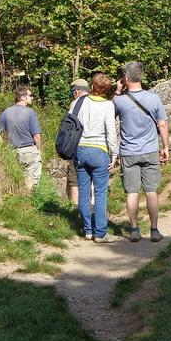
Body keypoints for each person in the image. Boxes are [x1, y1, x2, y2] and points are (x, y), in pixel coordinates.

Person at [113, 61, 170, 243]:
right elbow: (162, 123)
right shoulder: (154, 98)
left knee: (132, 192)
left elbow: (108, 115)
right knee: (151, 191)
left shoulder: (119, 101)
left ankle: (135, 230)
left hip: (128, 152)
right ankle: (154, 230)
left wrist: (117, 91)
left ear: (126, 78)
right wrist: (165, 146)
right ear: (141, 76)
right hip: (150, 150)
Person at [73, 73, 118, 243]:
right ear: (107, 89)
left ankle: (87, 231)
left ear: (92, 86)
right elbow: (111, 132)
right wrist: (114, 154)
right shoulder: (108, 106)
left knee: (84, 192)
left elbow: (71, 123)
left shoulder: (80, 101)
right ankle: (100, 233)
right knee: (100, 193)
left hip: (80, 150)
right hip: (99, 151)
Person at [0, 86, 42, 190]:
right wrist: (39, 151)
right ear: (22, 97)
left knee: (17, 180)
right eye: (30, 96)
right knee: (32, 182)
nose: (32, 98)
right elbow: (36, 136)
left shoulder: (6, 112)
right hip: (29, 151)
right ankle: (30, 202)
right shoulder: (30, 112)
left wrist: (2, 148)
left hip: (12, 152)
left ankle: (18, 199)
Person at [67, 78, 90, 203]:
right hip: (97, 147)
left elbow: (70, 126)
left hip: (78, 146)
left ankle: (75, 208)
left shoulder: (75, 104)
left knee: (74, 178)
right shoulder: (97, 102)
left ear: (76, 92)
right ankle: (93, 207)